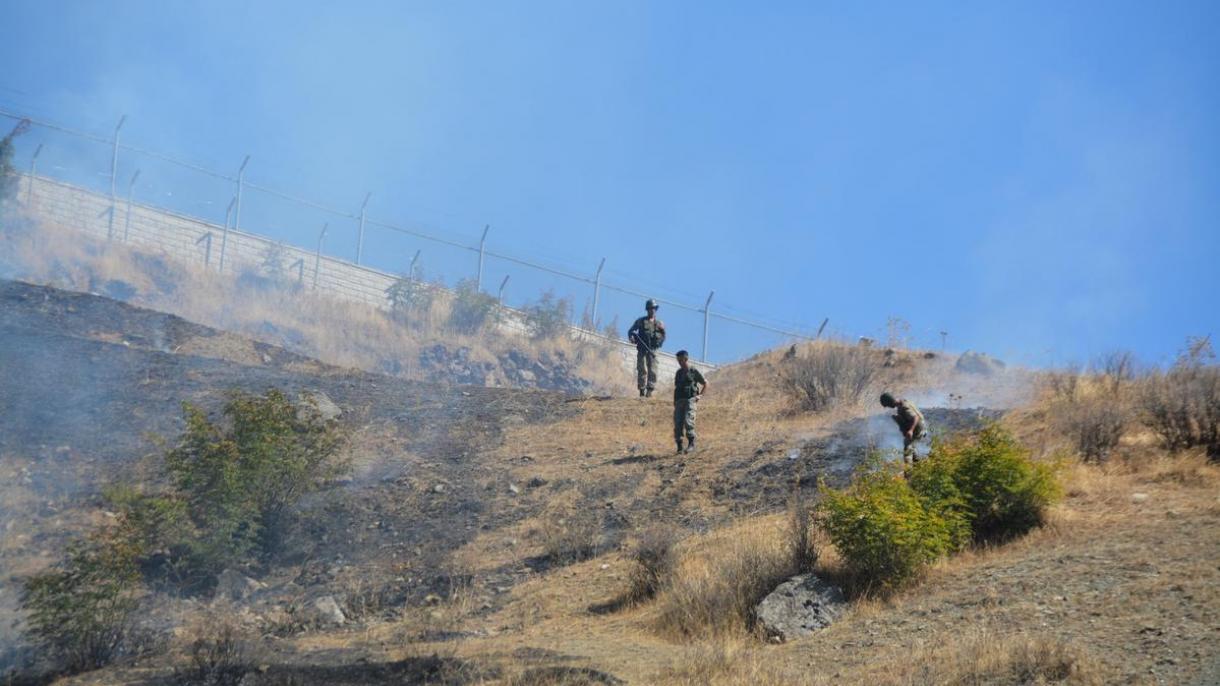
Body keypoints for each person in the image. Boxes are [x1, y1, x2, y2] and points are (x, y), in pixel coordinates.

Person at [627, 299, 666, 397]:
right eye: (650, 308)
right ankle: (642, 390)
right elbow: (631, 331)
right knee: (642, 369)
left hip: (653, 350)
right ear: (647, 309)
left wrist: (661, 337)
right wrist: (632, 338)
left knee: (653, 370)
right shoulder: (640, 321)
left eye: (653, 308)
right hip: (642, 349)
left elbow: (663, 336)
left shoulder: (659, 323)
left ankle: (650, 391)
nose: (652, 310)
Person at [673, 350, 707, 454]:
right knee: (678, 424)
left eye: (681, 359)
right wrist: (675, 401)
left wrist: (700, 395)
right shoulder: (678, 373)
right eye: (678, 360)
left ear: (686, 359)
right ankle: (679, 446)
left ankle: (691, 444)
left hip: (690, 400)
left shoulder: (693, 371)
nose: (679, 362)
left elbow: (705, 383)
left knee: (688, 421)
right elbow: (677, 388)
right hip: (679, 401)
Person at [880, 392, 926, 465]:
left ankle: (908, 474)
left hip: (917, 429)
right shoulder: (904, 402)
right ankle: (918, 464)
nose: (888, 407)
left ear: (890, 402)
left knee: (907, 451)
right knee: (911, 446)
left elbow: (915, 418)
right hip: (920, 427)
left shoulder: (904, 407)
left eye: (888, 405)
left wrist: (910, 430)